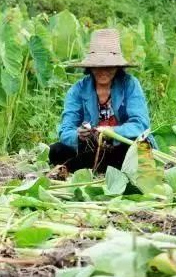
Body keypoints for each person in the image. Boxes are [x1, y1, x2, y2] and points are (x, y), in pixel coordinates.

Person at [49, 28, 155, 174]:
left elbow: (141, 125)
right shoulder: (77, 90)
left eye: (109, 67)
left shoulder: (130, 84)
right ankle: (104, 166)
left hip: (122, 146)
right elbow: (65, 130)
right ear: (90, 67)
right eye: (98, 67)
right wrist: (78, 135)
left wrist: (112, 132)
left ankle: (92, 166)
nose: (103, 72)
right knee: (56, 151)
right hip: (92, 148)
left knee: (140, 149)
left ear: (117, 67)